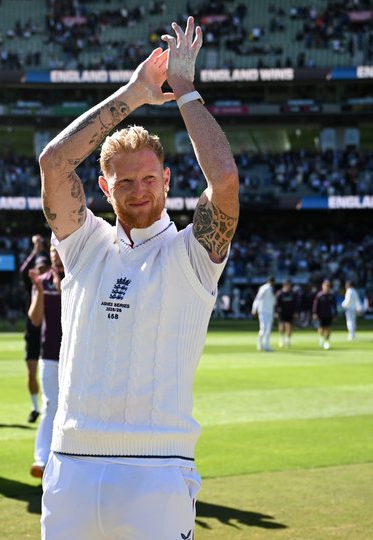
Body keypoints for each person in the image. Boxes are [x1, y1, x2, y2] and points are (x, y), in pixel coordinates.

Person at [37, 16, 239, 539]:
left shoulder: (191, 253)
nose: (139, 190)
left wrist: (186, 89)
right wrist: (136, 92)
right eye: (125, 181)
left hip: (157, 469)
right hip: (71, 465)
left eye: (150, 178)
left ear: (167, 179)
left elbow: (224, 180)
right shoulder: (85, 246)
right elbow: (55, 162)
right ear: (105, 187)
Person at [27, 246, 64, 479]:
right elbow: (35, 318)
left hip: (76, 354)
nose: (55, 252)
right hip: (50, 354)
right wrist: (40, 291)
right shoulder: (41, 280)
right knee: (51, 406)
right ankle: (41, 460)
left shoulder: (80, 273)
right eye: (52, 248)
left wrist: (61, 278)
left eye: (58, 247)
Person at [19, 234, 49, 423]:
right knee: (31, 371)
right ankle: (35, 407)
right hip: (33, 330)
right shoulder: (31, 284)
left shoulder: (55, 281)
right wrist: (34, 252)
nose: (41, 271)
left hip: (51, 330)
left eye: (43, 268)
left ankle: (48, 405)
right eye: (38, 268)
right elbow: (22, 271)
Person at [251, 276, 276, 352]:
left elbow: (273, 301)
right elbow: (258, 298)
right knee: (264, 328)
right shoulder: (264, 288)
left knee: (268, 329)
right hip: (263, 311)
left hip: (270, 311)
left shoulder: (272, 289)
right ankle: (259, 343)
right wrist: (254, 308)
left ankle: (266, 345)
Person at [313, 279, 337, 350]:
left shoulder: (331, 296)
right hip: (321, 315)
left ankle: (327, 341)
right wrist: (314, 313)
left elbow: (334, 306)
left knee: (328, 328)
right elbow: (315, 305)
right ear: (323, 286)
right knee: (321, 328)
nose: (327, 287)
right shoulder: (319, 295)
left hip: (328, 315)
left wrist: (335, 314)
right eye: (326, 285)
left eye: (328, 286)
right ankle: (322, 339)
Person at [275, 279, 297, 348]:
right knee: (282, 326)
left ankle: (288, 340)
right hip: (282, 312)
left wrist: (296, 312)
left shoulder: (292, 293)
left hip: (290, 312)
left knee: (289, 326)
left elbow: (295, 304)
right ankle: (282, 339)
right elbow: (276, 304)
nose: (288, 286)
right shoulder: (280, 293)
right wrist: (276, 312)